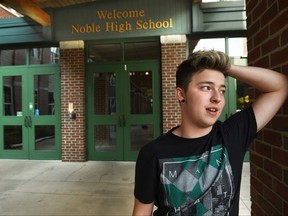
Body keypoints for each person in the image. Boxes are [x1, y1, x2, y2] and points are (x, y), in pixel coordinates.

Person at [132, 50, 288, 216]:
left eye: (221, 90)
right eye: (206, 87)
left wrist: (226, 67)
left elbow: (280, 85)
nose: (217, 98)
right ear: (181, 94)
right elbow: (141, 212)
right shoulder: (153, 153)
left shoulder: (232, 134)